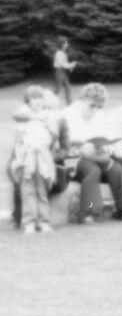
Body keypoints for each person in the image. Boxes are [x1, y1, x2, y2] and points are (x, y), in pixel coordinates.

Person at [62, 84, 122, 222]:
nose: (95, 110)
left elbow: (109, 138)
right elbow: (65, 143)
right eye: (92, 105)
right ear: (83, 99)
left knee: (117, 169)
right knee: (93, 171)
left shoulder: (100, 115)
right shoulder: (68, 115)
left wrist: (106, 148)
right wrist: (82, 146)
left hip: (96, 156)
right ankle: (89, 211)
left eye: (99, 107)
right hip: (74, 159)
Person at [10, 87, 60, 233]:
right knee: (28, 192)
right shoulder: (23, 119)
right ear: (28, 101)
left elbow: (54, 139)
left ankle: (44, 222)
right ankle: (30, 222)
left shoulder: (49, 117)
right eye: (33, 99)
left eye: (40, 98)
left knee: (42, 191)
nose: (37, 102)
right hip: (27, 159)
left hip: (43, 158)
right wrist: (20, 159)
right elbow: (18, 142)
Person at [52, 39, 76, 105]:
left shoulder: (63, 53)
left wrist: (71, 66)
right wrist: (70, 65)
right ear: (61, 44)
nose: (67, 44)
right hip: (59, 72)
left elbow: (65, 63)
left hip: (63, 72)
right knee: (57, 90)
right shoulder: (59, 53)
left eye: (67, 43)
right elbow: (61, 64)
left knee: (68, 88)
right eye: (65, 43)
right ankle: (48, 101)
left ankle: (69, 104)